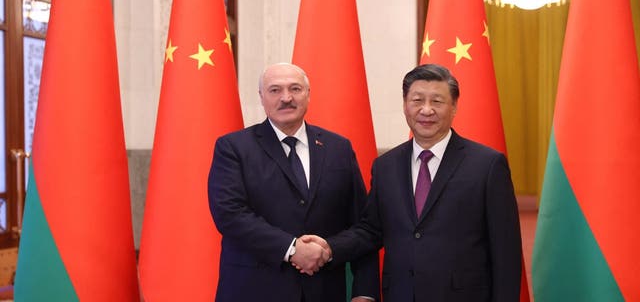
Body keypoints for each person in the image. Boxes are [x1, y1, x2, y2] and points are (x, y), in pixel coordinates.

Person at [301, 63, 522, 301]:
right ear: (405, 106)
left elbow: (506, 252)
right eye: (417, 100)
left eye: (437, 101)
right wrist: (329, 247)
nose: (426, 110)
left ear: (454, 106)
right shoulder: (386, 166)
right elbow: (371, 231)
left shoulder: (487, 165)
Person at [208, 63, 380, 302]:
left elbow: (363, 225)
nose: (286, 98)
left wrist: (364, 291)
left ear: (308, 95)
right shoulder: (234, 148)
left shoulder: (338, 148)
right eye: (275, 90)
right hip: (253, 291)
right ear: (262, 97)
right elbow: (230, 214)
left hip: (324, 292)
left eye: (295, 89)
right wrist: (292, 249)